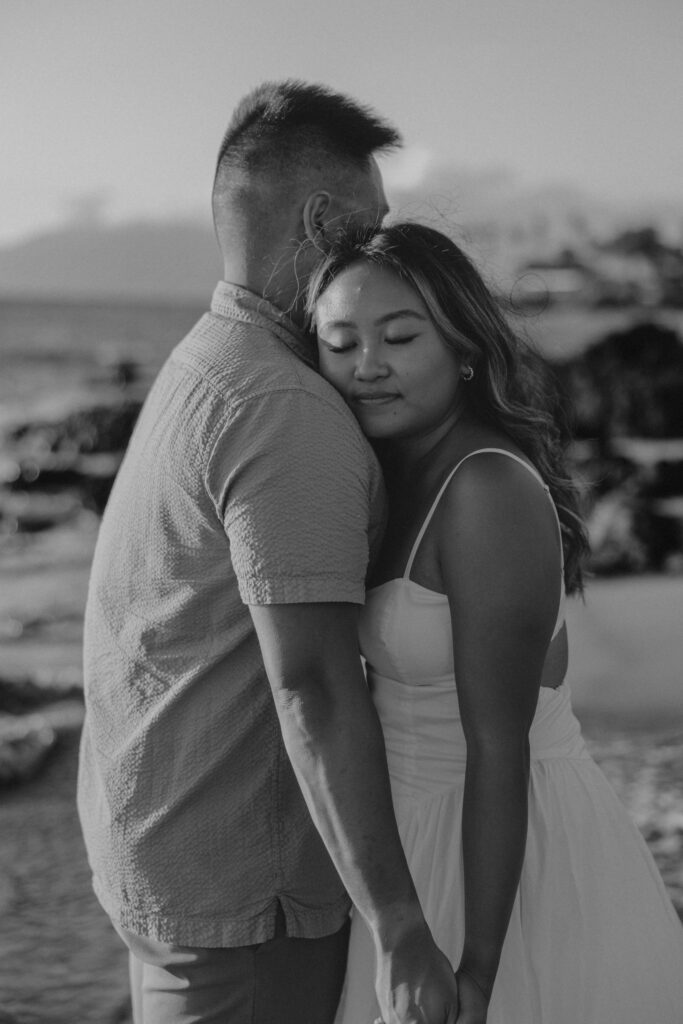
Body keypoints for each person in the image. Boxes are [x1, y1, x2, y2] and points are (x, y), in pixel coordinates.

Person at [77, 86, 459, 1024]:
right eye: (368, 227)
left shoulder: (204, 360)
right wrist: (402, 928)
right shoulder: (284, 408)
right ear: (322, 221)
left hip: (161, 850)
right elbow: (314, 688)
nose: (380, 252)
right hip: (244, 896)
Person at [308, 221, 683, 1024]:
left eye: (399, 337)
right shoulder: (385, 476)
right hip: (407, 846)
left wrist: (481, 968)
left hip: (505, 859)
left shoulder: (484, 489)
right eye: (339, 342)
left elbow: (497, 747)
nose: (366, 365)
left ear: (465, 350)